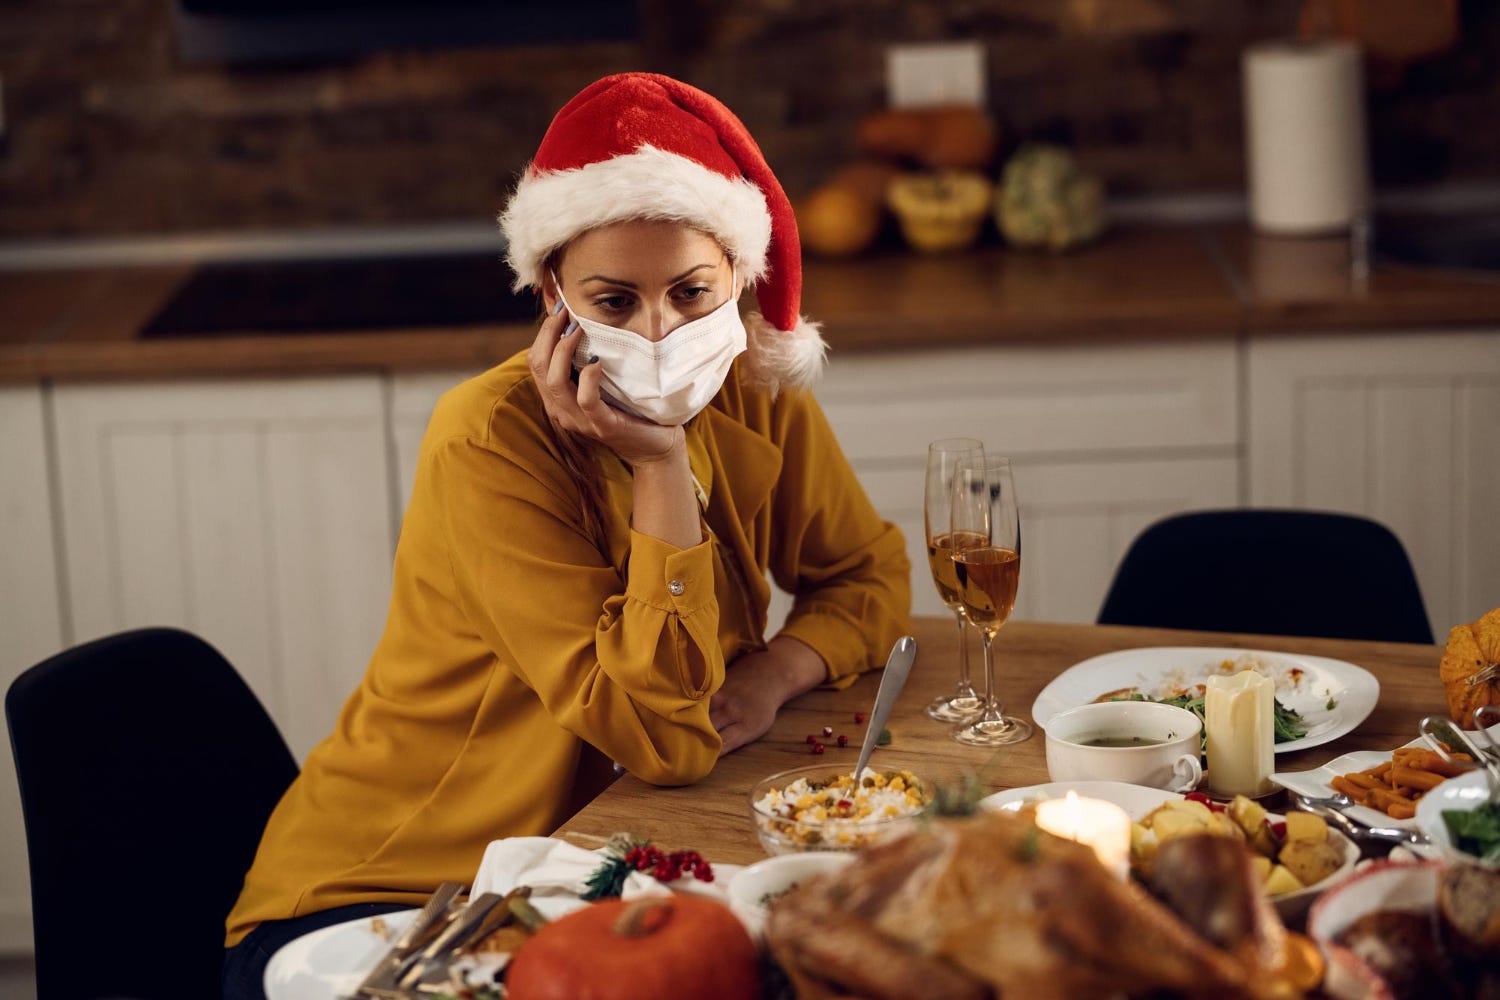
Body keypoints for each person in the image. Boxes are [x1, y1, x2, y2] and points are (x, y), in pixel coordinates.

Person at [222, 72, 910, 998]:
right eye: (616, 301)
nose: (662, 335)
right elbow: (664, 744)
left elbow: (867, 573)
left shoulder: (752, 390)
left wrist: (778, 670)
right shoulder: (486, 439)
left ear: (738, 282)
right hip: (399, 900)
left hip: (587, 869)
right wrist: (661, 466)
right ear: (554, 292)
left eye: (693, 294)